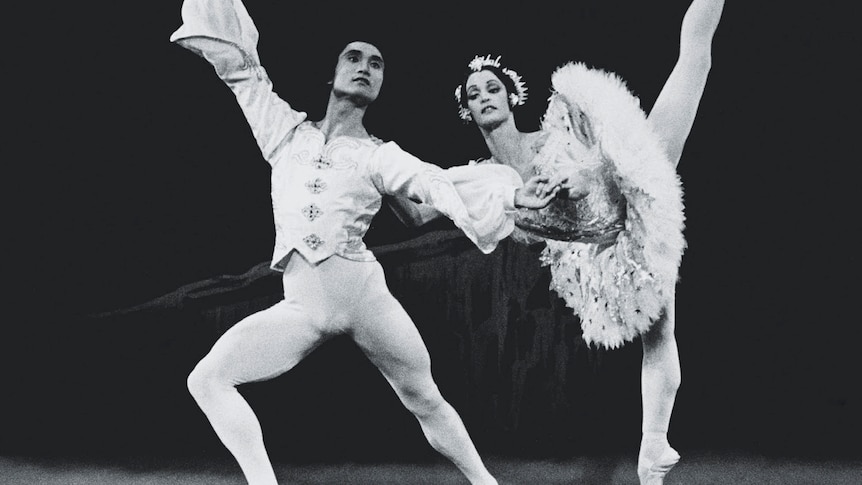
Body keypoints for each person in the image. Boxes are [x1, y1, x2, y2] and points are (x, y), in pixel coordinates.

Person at [169, 1, 561, 484]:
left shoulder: (379, 155)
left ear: (380, 86)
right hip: (303, 308)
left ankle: (486, 482)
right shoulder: (283, 134)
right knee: (206, 379)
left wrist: (513, 193)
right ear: (333, 72)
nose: (365, 68)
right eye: (354, 58)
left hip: (364, 297)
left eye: (376, 65)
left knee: (423, 397)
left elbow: (430, 181)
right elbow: (244, 75)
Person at [445, 1, 724, 484]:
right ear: (467, 110)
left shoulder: (551, 134)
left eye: (494, 88)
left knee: (694, 61)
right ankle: (652, 458)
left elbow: (606, 152)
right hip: (603, 249)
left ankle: (653, 447)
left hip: (628, 189)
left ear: (512, 98)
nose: (486, 97)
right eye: (475, 94)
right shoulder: (483, 180)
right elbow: (422, 197)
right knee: (656, 334)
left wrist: (588, 176)